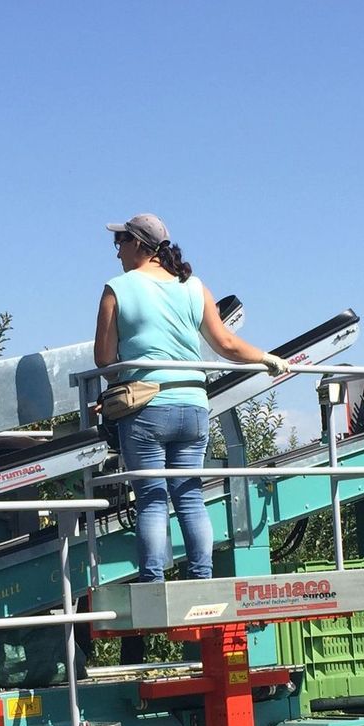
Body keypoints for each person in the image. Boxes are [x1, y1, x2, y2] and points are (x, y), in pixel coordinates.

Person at [93, 212, 289, 582]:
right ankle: (201, 578)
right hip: (194, 406)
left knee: (151, 498)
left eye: (120, 242)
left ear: (138, 244)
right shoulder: (194, 287)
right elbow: (227, 343)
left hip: (147, 405)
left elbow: (104, 359)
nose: (117, 250)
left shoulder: (118, 287)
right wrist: (267, 358)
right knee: (189, 496)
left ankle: (153, 581)